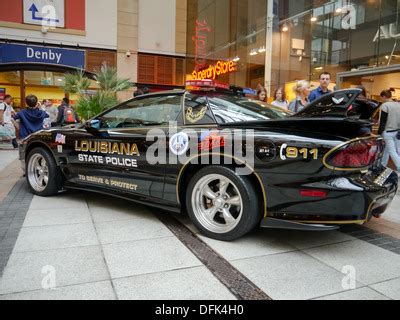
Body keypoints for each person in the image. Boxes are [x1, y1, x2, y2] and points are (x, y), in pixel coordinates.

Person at [378, 89, 400, 171]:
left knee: (391, 151)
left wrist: (379, 133)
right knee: (392, 150)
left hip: (388, 132)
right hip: (398, 132)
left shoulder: (385, 105)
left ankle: (399, 166)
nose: (381, 100)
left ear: (384, 96)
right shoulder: (398, 105)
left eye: (381, 98)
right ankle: (383, 165)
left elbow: (383, 121)